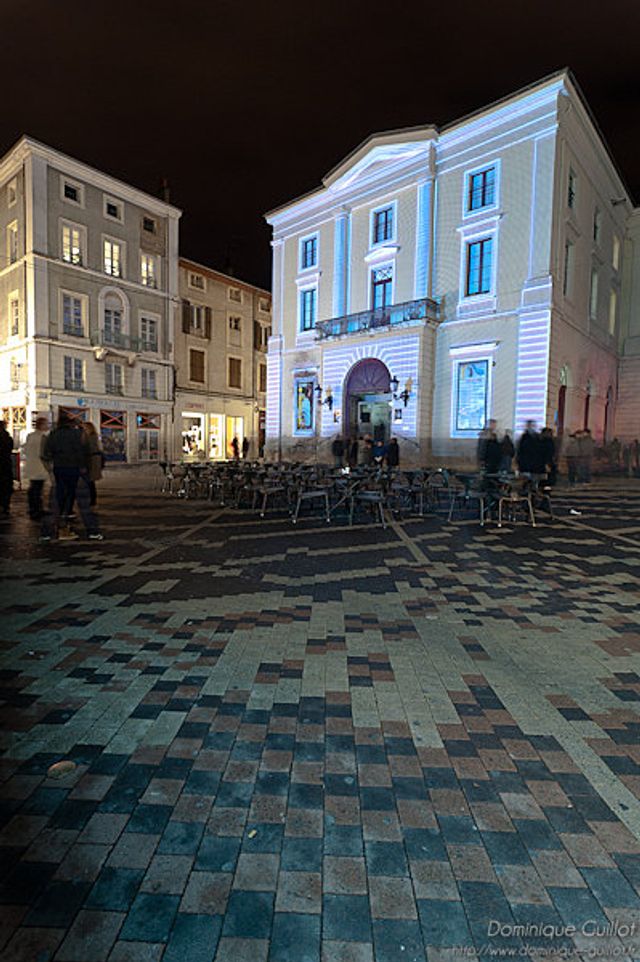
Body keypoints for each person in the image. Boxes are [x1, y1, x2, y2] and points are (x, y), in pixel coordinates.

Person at [43, 411, 89, 539]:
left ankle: (60, 516)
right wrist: (83, 466)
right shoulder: (76, 434)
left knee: (60, 491)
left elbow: (47, 453)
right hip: (73, 467)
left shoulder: (53, 434)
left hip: (59, 467)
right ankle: (66, 516)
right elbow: (81, 451)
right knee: (71, 491)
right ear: (69, 423)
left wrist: (54, 459)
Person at [22, 416, 49, 520]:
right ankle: (36, 510)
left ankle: (34, 509)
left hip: (31, 466)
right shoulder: (43, 437)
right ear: (41, 425)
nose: (48, 426)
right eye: (46, 424)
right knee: (36, 489)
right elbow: (45, 453)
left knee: (34, 488)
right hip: (40, 467)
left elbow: (25, 449)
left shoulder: (30, 435)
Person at [82, 422, 103, 506]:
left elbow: (89, 448)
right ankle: (92, 499)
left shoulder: (91, 437)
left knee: (90, 480)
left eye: (84, 428)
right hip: (92, 459)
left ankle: (92, 499)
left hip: (91, 460)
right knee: (90, 481)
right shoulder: (92, 436)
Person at [0, 420, 13, 517]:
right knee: (6, 487)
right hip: (6, 464)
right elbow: (10, 449)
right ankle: (5, 507)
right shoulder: (8, 438)